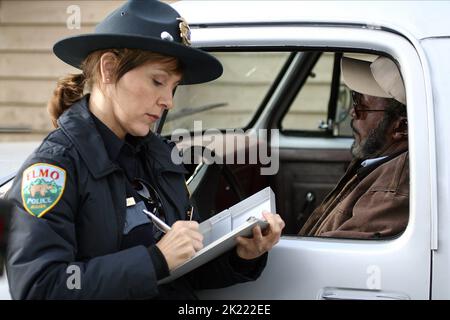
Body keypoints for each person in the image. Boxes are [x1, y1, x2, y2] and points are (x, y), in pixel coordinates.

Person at [5, 0, 285, 299]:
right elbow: (40, 287)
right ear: (109, 68)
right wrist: (155, 260)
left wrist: (241, 255)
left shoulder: (158, 157)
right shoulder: (55, 169)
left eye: (173, 87)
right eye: (157, 81)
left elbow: (181, 267)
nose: (168, 101)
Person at [299, 56, 408, 239]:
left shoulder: (389, 193)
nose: (352, 111)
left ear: (400, 127)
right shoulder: (379, 161)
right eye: (354, 98)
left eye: (361, 104)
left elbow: (331, 257)